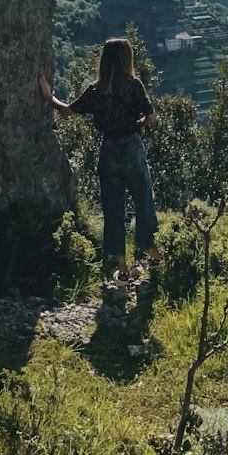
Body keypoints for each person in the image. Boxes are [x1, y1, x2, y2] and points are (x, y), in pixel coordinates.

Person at [39, 37, 161, 281]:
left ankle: (123, 268)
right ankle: (154, 257)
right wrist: (140, 125)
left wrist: (48, 95)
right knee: (143, 201)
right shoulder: (133, 85)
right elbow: (151, 116)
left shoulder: (96, 90)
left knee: (113, 207)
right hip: (131, 147)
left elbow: (67, 110)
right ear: (127, 60)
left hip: (108, 150)